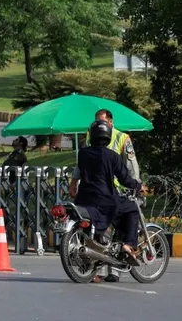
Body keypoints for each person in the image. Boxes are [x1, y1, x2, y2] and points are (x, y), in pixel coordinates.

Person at [69, 120, 144, 282]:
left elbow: (80, 171)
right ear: (108, 136)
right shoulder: (112, 156)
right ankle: (128, 244)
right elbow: (125, 179)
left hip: (84, 199)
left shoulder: (83, 153)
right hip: (105, 200)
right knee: (132, 208)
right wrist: (138, 185)